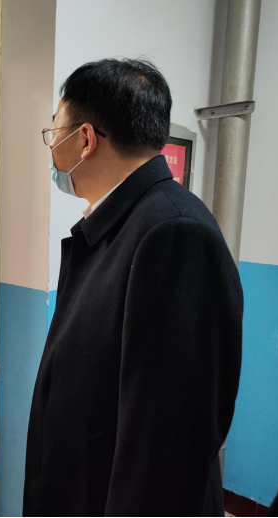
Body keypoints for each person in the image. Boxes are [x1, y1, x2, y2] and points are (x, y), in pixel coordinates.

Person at [24, 59, 243, 516]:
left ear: (85, 139)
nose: (52, 146)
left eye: (54, 131)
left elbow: (168, 448)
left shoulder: (175, 234)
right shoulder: (121, 224)